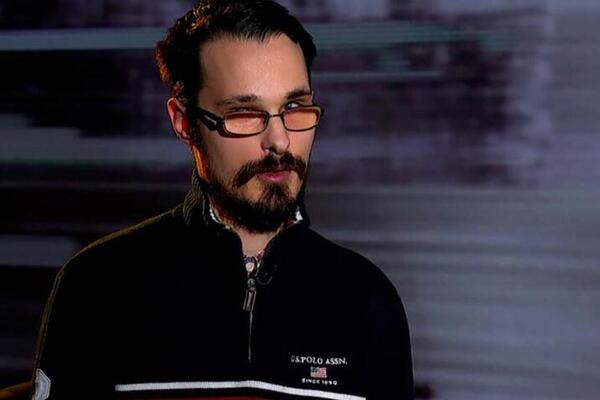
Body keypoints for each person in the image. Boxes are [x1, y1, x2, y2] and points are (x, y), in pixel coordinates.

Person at [31, 1, 414, 399]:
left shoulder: (367, 298)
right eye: (244, 113)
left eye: (294, 107)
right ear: (184, 123)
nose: (280, 141)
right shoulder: (96, 286)